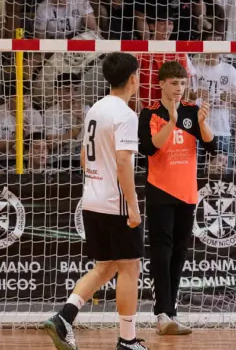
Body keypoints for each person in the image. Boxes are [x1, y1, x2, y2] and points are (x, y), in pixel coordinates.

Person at [43, 52, 146, 350]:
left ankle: (64, 317)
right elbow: (124, 163)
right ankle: (127, 340)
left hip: (92, 199)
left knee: (106, 267)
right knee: (129, 268)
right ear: (133, 79)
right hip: (115, 202)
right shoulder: (125, 114)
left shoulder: (95, 109)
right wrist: (133, 206)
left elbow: (82, 158)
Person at [138, 60, 216, 335]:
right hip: (160, 190)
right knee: (162, 251)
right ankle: (162, 313)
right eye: (174, 83)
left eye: (183, 83)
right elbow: (149, 148)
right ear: (161, 84)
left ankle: (171, 313)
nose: (179, 88)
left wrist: (203, 124)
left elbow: (213, 147)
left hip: (187, 192)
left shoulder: (192, 111)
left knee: (180, 252)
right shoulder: (150, 113)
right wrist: (171, 122)